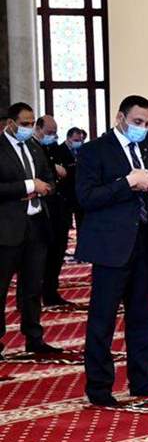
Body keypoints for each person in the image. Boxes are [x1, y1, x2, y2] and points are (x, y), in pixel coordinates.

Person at [77, 95, 148, 405]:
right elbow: (86, 197)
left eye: (147, 123)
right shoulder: (95, 150)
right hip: (111, 246)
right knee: (103, 319)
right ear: (120, 118)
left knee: (143, 317)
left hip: (145, 242)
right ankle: (99, 387)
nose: (142, 128)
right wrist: (128, 183)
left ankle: (142, 380)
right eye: (137, 122)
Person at [1, 103, 59, 358]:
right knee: (1, 287)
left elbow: (50, 180)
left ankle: (34, 337)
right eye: (24, 123)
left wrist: (43, 189)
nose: (28, 127)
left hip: (36, 225)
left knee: (33, 287)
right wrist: (27, 186)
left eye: (32, 123)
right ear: (10, 123)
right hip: (7, 229)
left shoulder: (34, 147)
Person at [36, 114, 77, 307]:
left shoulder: (55, 148)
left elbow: (69, 172)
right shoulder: (32, 148)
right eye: (49, 132)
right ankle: (30, 297)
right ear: (38, 129)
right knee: (37, 257)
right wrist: (54, 170)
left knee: (57, 254)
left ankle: (51, 292)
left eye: (55, 132)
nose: (52, 136)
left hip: (61, 209)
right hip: (42, 211)